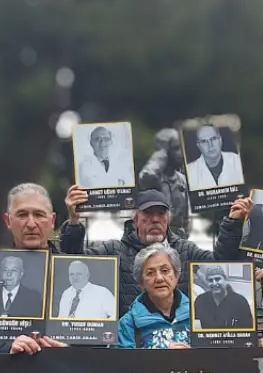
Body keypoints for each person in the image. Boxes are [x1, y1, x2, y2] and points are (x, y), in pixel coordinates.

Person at [64, 188, 236, 316]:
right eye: (148, 213)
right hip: (131, 343)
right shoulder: (113, 250)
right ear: (135, 219)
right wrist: (73, 221)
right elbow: (73, 260)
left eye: (161, 214)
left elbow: (222, 262)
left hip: (176, 342)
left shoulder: (185, 250)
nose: (155, 219)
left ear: (167, 219)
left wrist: (232, 223)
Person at [0, 183, 67, 353]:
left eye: (39, 214)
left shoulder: (70, 271)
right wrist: (5, 347)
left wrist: (71, 350)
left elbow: (95, 334)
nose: (31, 223)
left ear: (52, 221)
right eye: (22, 215)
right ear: (8, 220)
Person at [117, 245, 191, 349]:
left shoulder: (197, 316)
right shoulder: (128, 324)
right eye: (150, 273)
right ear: (141, 282)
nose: (159, 278)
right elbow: (118, 363)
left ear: (176, 275)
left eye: (165, 271)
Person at [137, 128, 191, 238]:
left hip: (178, 241)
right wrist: (160, 155)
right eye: (176, 148)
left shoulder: (182, 180)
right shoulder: (153, 179)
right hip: (156, 238)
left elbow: (185, 218)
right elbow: (147, 176)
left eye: (182, 147)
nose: (181, 153)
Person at [0, 254, 44, 318]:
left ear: (21, 274)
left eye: (14, 270)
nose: (9, 274)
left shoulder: (33, 298)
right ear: (1, 273)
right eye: (5, 270)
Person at [193, 264, 253, 330]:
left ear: (225, 279)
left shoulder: (240, 302)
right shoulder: (200, 301)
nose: (214, 283)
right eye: (210, 280)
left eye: (217, 279)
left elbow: (248, 330)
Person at [186, 124, 243, 190]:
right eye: (204, 141)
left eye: (213, 139)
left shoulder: (238, 162)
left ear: (220, 140)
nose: (210, 145)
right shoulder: (189, 172)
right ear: (198, 146)